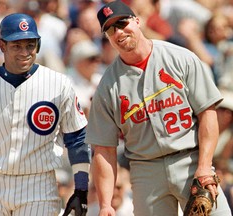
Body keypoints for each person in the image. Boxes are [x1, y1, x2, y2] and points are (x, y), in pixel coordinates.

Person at [84, 1, 232, 215]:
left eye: (123, 23)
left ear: (137, 21)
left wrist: (204, 166)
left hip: (190, 159)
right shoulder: (108, 86)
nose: (119, 32)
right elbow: (104, 149)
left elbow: (207, 112)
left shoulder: (180, 58)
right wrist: (106, 203)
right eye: (110, 29)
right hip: (146, 172)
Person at [0, 13, 91, 216]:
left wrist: (81, 190)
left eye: (30, 45)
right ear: (2, 46)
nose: (25, 52)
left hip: (39, 184)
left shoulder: (59, 83)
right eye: (17, 45)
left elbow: (77, 139)